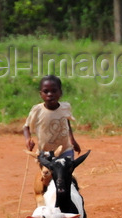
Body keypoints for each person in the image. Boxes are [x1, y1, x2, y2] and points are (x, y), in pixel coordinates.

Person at [23, 75, 82, 206]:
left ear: (60, 92)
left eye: (54, 91)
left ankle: (72, 200)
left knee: (67, 176)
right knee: (47, 178)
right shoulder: (37, 110)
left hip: (65, 150)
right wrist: (28, 140)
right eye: (46, 91)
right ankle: (43, 205)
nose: (50, 94)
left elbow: (67, 123)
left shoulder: (65, 107)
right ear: (41, 94)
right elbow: (26, 127)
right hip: (46, 154)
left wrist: (72, 140)